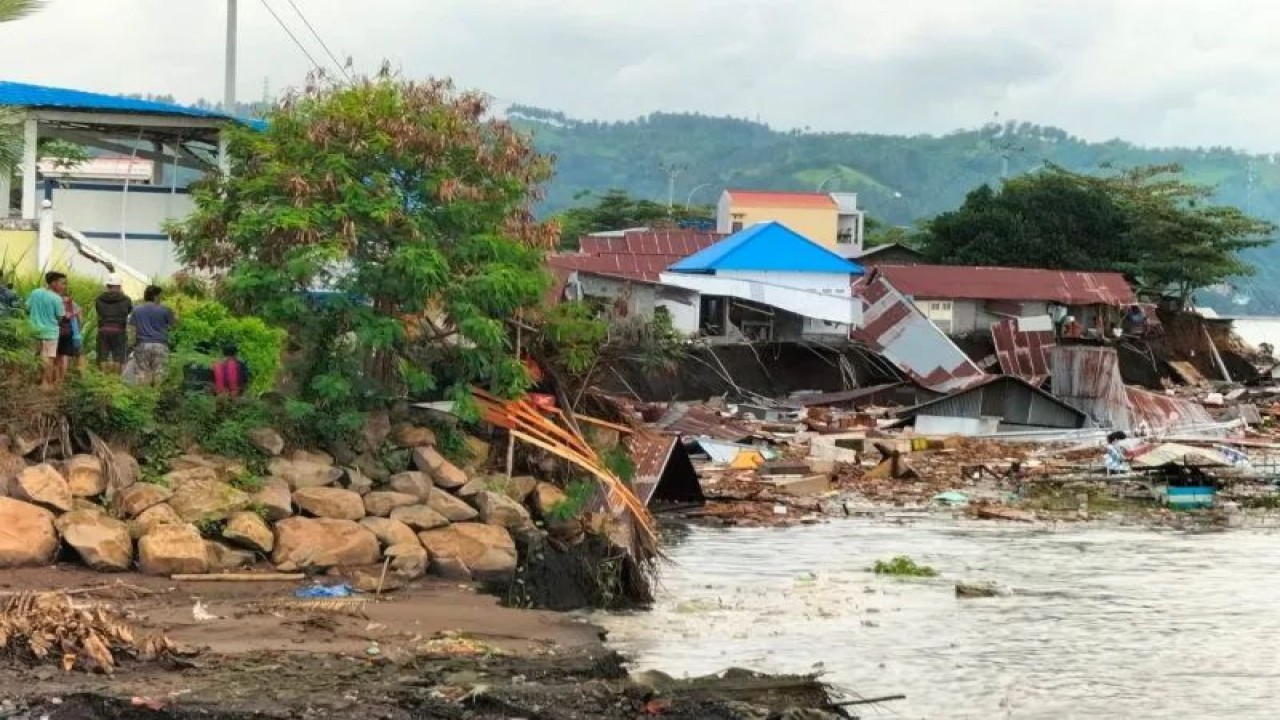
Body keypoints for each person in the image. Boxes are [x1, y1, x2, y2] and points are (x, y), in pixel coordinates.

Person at [129, 284, 177, 385]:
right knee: (160, 373)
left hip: (142, 344)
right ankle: (157, 396)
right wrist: (176, 316)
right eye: (160, 296)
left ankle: (144, 397)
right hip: (160, 345)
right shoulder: (165, 310)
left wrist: (132, 344)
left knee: (142, 373)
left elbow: (132, 329)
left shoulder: (136, 310)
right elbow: (174, 326)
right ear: (155, 296)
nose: (161, 298)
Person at [26, 271, 66, 387]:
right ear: (53, 283)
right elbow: (60, 317)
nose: (64, 286)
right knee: (48, 358)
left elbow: (27, 308)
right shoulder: (57, 299)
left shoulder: (35, 292)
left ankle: (32, 381)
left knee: (35, 357)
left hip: (33, 331)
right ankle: (45, 383)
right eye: (62, 283)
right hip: (50, 333)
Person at [94, 275, 133, 373]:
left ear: (107, 286)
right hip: (119, 330)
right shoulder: (126, 299)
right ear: (119, 286)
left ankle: (103, 378)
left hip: (103, 329)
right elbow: (128, 311)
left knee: (102, 355)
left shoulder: (99, 299)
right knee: (118, 356)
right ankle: (115, 379)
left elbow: (99, 311)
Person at [56, 293, 85, 378]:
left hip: (60, 333)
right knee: (78, 356)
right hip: (75, 334)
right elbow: (81, 319)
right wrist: (78, 328)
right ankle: (79, 377)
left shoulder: (57, 304)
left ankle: (60, 378)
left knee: (60, 356)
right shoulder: (73, 305)